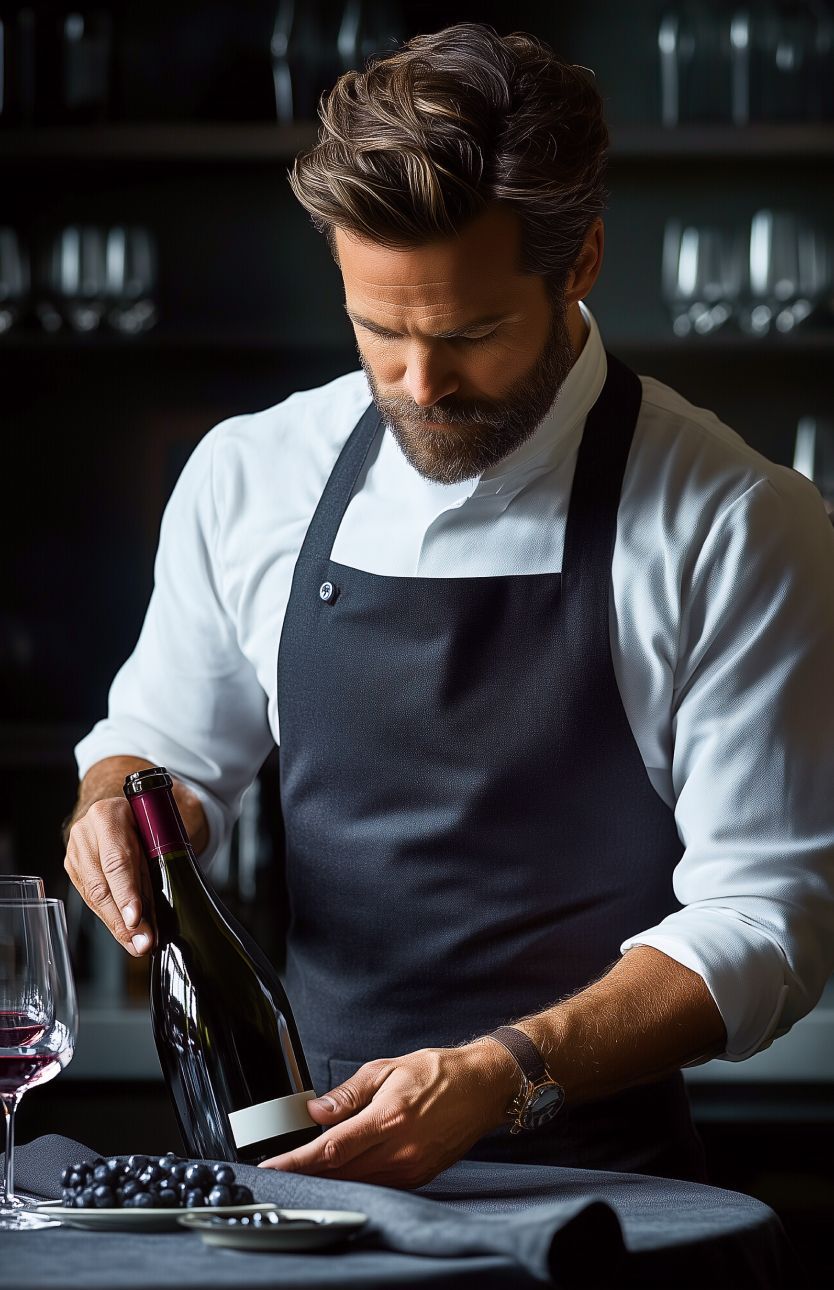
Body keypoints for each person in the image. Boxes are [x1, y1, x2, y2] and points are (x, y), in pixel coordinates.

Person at [64, 24, 834, 1189]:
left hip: (604, 1196)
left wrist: (504, 1069)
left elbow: (772, 917)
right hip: (300, 1175)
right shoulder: (250, 472)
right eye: (380, 332)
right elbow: (165, 748)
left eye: (469, 334)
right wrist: (118, 805)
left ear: (578, 265)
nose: (420, 388)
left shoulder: (735, 520)